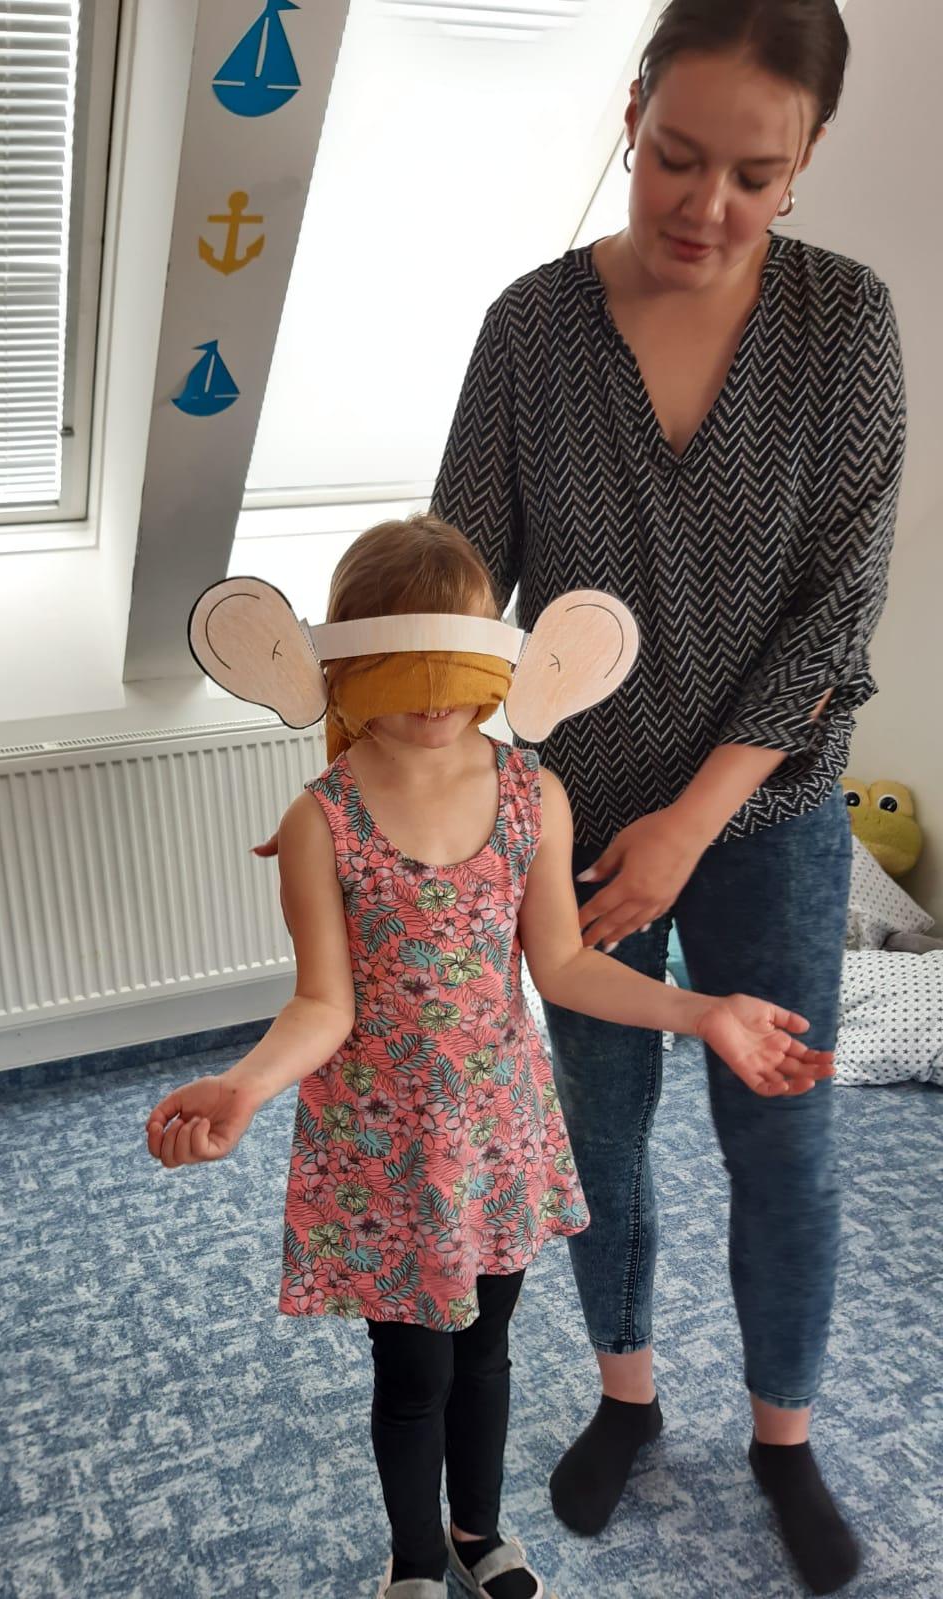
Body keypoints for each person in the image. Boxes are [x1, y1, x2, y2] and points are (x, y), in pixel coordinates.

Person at [431, 2, 907, 1593]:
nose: (707, 206)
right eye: (676, 156)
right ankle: (627, 1393)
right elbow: (463, 589)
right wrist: (417, 779)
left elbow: (837, 616)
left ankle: (784, 1432)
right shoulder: (530, 330)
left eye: (754, 176)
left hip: (769, 816)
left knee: (787, 1137)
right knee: (600, 1135)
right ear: (631, 111)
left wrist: (691, 821)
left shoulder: (848, 323)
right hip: (575, 823)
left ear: (808, 156)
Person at [148, 517, 835, 1599]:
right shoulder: (322, 820)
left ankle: (478, 1533)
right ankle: (416, 1558)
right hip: (385, 1154)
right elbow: (323, 1003)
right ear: (352, 667)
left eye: (456, 668)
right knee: (412, 1373)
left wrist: (700, 1011)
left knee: (486, 1354)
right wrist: (245, 1086)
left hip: (497, 1134)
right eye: (406, 669)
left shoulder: (533, 796)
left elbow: (563, 965)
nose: (435, 701)